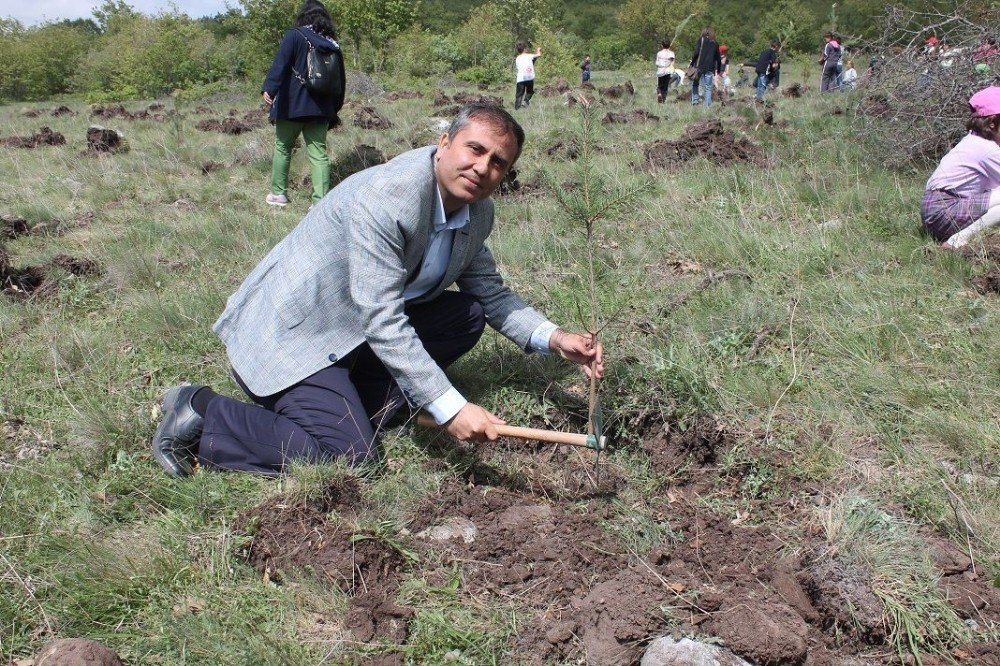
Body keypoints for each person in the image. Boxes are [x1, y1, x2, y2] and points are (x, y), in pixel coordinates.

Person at [150, 104, 605, 478]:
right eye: (475, 149)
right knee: (352, 458)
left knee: (465, 313)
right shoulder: (389, 199)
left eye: (498, 163)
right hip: (297, 336)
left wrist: (555, 338)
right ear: (444, 143)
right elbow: (383, 319)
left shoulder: (476, 213)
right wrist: (449, 406)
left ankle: (352, 406)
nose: (483, 168)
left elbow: (490, 295)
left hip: (353, 333)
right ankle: (202, 411)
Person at [262, 0, 345, 207]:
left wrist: (269, 88)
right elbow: (340, 82)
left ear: (303, 16)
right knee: (319, 154)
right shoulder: (334, 45)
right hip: (320, 110)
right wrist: (334, 109)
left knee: (283, 148)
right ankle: (321, 201)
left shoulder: (294, 35)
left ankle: (279, 194)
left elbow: (280, 64)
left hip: (291, 106)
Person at [921, 87, 1000, 248]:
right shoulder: (988, 150)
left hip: (936, 212)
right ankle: (958, 240)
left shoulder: (973, 141)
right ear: (992, 124)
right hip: (945, 211)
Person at [689, 27, 722, 107]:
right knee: (708, 87)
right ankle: (707, 105)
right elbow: (718, 58)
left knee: (695, 84)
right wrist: (718, 70)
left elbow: (696, 53)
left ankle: (695, 102)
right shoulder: (715, 43)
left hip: (698, 67)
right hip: (710, 68)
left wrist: (692, 63)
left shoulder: (701, 40)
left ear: (704, 32)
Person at [514, 43, 542, 109]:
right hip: (529, 78)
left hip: (520, 79)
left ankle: (517, 108)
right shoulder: (529, 56)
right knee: (530, 92)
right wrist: (538, 50)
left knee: (519, 95)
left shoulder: (517, 58)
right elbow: (539, 55)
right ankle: (526, 101)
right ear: (525, 49)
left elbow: (518, 67)